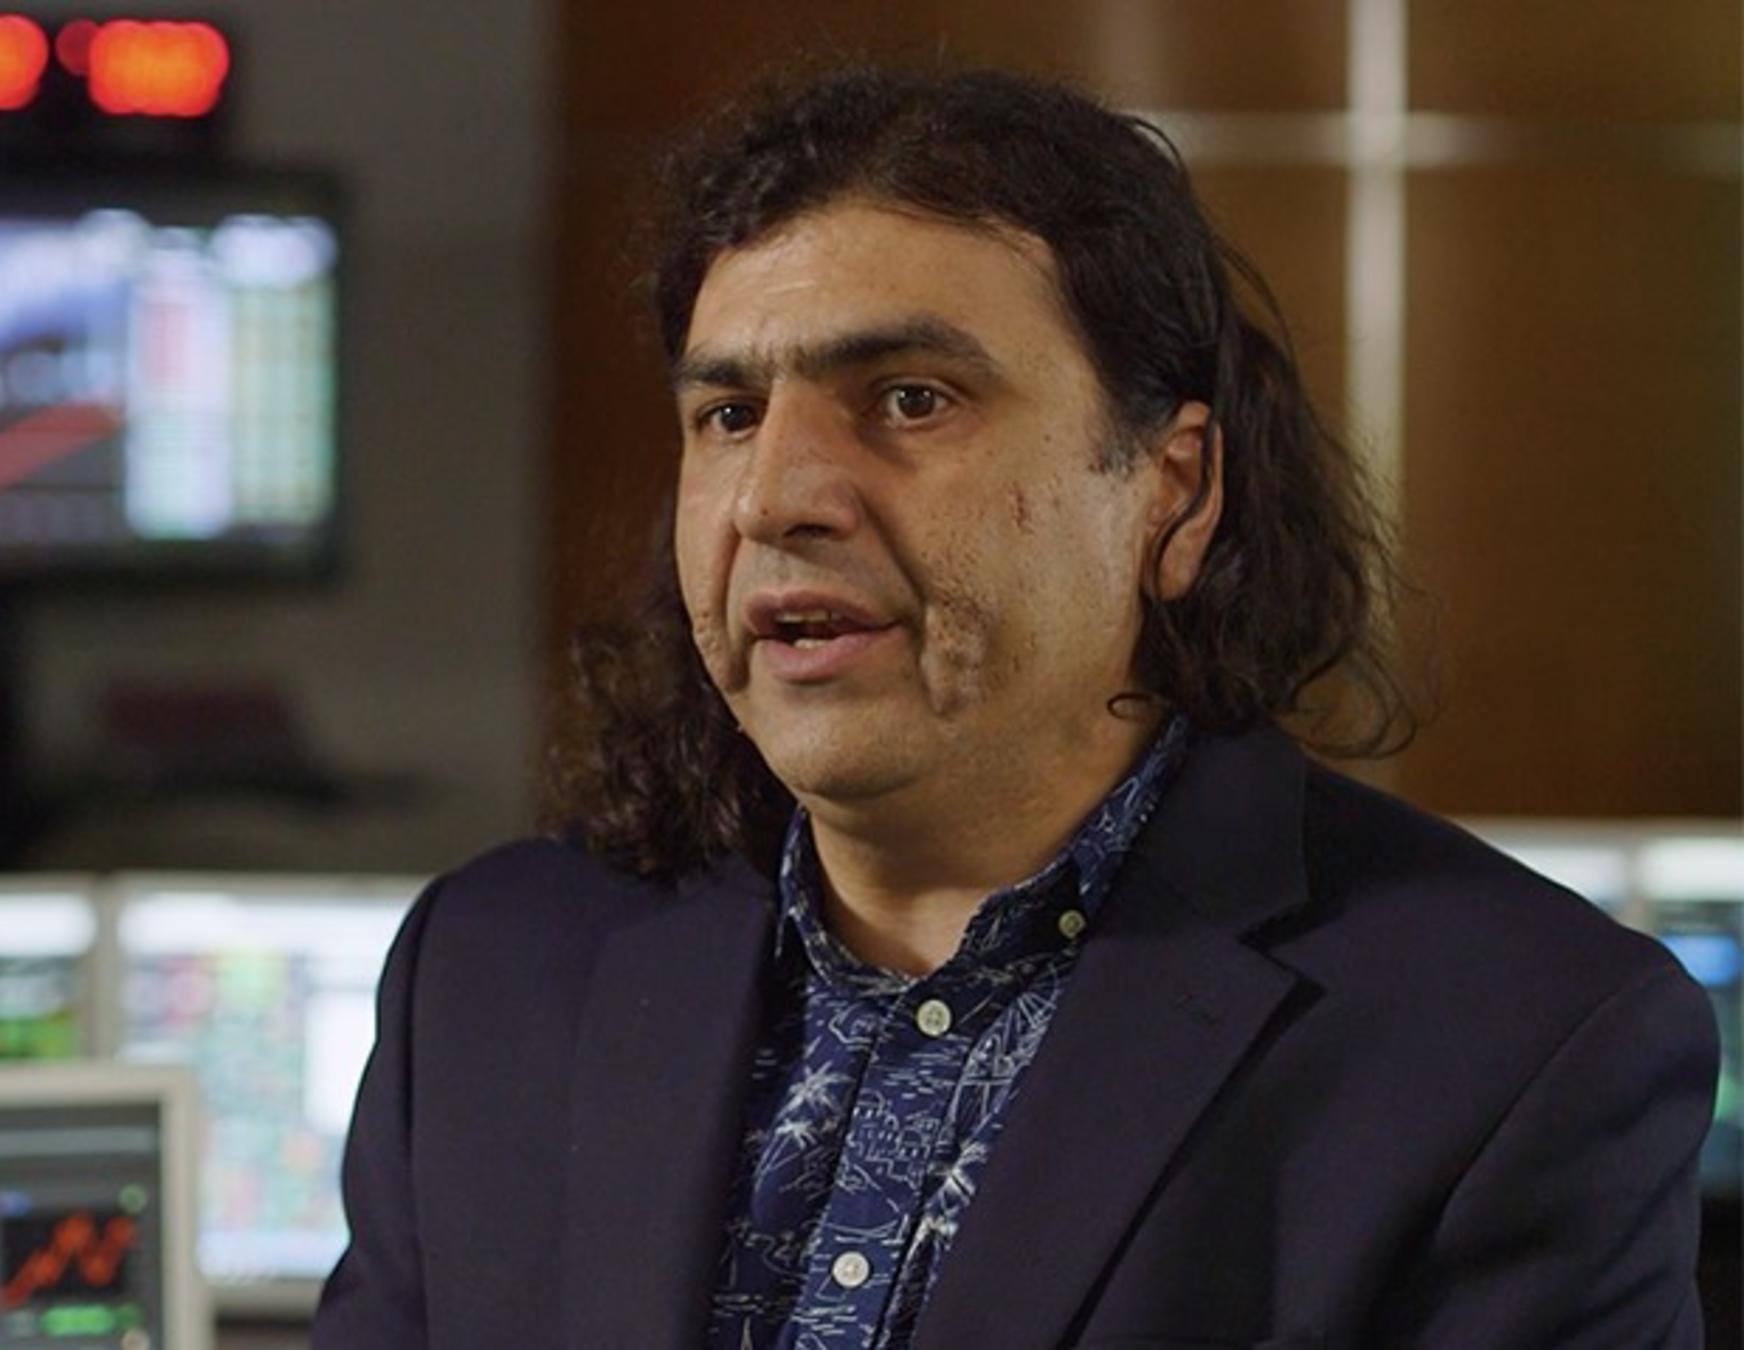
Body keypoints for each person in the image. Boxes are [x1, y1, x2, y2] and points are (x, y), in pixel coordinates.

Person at [311, 63, 1719, 1350]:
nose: (777, 498)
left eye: (911, 398)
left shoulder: (1520, 1049)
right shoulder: (489, 977)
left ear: (1171, 490)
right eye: (729, 414)